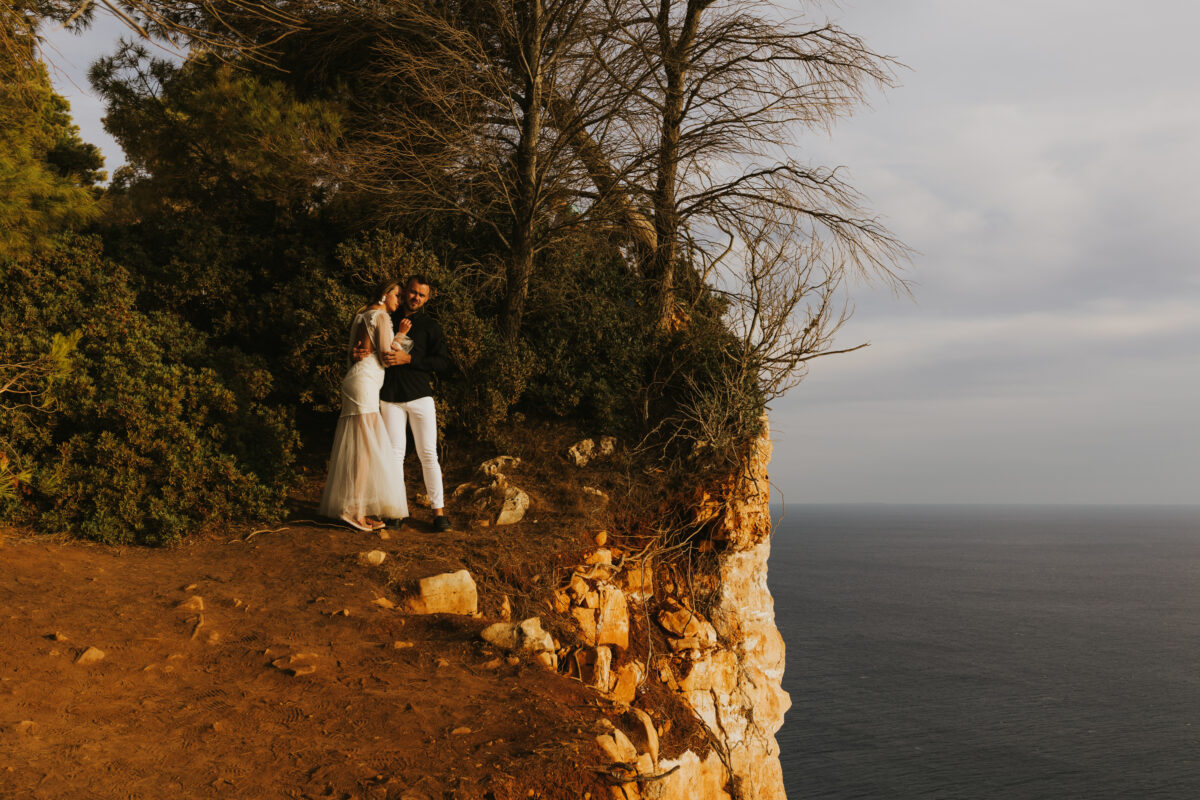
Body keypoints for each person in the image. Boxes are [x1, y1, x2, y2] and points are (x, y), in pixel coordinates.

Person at [318, 282, 411, 531]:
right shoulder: (380, 316)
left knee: (362, 448)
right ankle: (354, 511)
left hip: (358, 381)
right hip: (364, 385)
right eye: (397, 295)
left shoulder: (362, 315)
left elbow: (356, 352)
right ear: (384, 295)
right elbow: (385, 357)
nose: (399, 301)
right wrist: (400, 335)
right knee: (365, 450)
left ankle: (359, 509)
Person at [377, 275, 453, 532]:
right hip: (390, 398)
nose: (415, 298)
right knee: (395, 456)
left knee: (428, 454)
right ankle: (396, 512)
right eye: (412, 293)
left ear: (427, 298)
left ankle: (439, 513)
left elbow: (443, 363)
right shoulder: (389, 318)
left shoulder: (431, 326)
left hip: (421, 396)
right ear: (405, 291)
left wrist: (409, 360)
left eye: (421, 295)